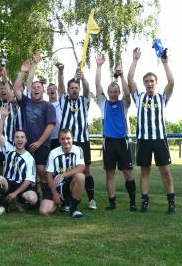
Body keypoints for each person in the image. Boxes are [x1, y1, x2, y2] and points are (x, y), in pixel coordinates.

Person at [127, 47, 175, 214]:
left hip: (160, 139)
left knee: (165, 171)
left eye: (151, 81)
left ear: (156, 83)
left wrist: (165, 63)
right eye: (146, 81)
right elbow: (129, 79)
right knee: (145, 171)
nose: (149, 84)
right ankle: (145, 202)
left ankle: (171, 204)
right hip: (144, 140)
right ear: (144, 84)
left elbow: (172, 83)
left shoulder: (162, 98)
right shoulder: (139, 97)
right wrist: (134, 60)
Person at [95, 54, 136, 211]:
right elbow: (97, 84)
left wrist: (121, 75)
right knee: (110, 174)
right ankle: (112, 203)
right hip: (108, 142)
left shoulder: (124, 104)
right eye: (110, 91)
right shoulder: (103, 103)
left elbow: (127, 93)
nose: (113, 93)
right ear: (108, 92)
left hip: (122, 141)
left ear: (118, 92)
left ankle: (133, 202)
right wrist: (99, 66)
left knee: (128, 173)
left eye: (115, 91)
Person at [13, 61, 56, 201]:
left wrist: (38, 142)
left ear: (43, 90)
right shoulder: (26, 102)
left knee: (41, 171)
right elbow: (16, 90)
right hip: (25, 145)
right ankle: (28, 198)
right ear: (31, 91)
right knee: (26, 171)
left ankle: (47, 198)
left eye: (39, 87)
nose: (36, 89)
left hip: (41, 145)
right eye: (33, 87)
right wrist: (23, 72)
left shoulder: (48, 106)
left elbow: (50, 126)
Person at [58, 66, 96, 210]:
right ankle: (68, 200)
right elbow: (60, 87)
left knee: (86, 170)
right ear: (68, 90)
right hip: (67, 141)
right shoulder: (63, 100)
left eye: (76, 88)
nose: (74, 90)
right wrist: (61, 72)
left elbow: (87, 89)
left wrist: (83, 78)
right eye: (72, 88)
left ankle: (92, 200)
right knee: (68, 169)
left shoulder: (84, 101)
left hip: (82, 141)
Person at [0, 105, 38, 215]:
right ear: (13, 139)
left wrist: (15, 193)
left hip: (22, 185)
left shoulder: (29, 158)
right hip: (9, 183)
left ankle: (18, 201)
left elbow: (28, 180)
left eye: (22, 137)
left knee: (33, 199)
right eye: (17, 137)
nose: (19, 139)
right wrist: (3, 117)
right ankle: (1, 206)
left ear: (26, 140)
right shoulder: (9, 149)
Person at [40, 129, 85, 218]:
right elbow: (48, 174)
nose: (66, 141)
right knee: (43, 211)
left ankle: (73, 209)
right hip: (56, 186)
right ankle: (62, 203)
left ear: (72, 139)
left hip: (69, 185)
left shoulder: (78, 149)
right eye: (63, 139)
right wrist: (54, 194)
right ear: (59, 140)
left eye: (68, 138)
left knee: (80, 176)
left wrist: (63, 174)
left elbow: (81, 167)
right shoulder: (53, 152)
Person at [47, 80, 62, 150]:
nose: (52, 90)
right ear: (47, 92)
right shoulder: (45, 105)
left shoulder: (62, 104)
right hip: (48, 138)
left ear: (57, 91)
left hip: (61, 138)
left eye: (54, 88)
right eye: (49, 89)